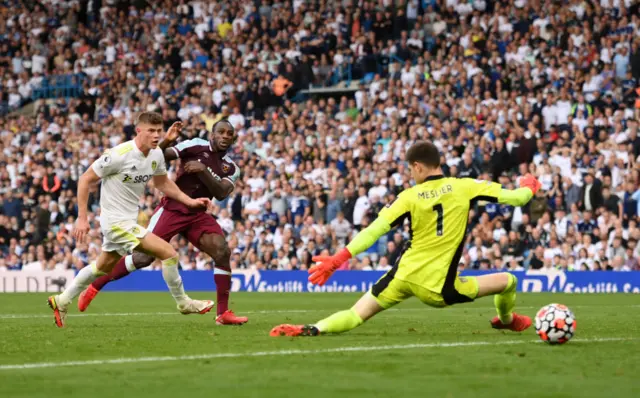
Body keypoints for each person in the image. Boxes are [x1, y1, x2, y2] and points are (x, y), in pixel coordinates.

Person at [270, 141, 541, 337]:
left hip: (402, 275)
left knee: (355, 314)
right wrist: (529, 186)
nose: (411, 174)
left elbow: (374, 230)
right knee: (509, 281)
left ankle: (313, 328)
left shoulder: (408, 197)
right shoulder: (465, 186)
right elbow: (517, 198)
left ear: (418, 166)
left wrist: (338, 259)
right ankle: (506, 320)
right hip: (439, 287)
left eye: (411, 169)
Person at [48, 112, 214, 328]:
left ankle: (61, 300)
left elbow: (163, 183)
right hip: (115, 222)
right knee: (169, 253)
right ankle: (183, 302)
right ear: (139, 131)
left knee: (102, 267)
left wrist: (190, 202)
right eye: (151, 131)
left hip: (127, 220)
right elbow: (85, 179)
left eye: (158, 131)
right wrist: (82, 217)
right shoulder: (119, 154)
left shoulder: (156, 155)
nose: (156, 135)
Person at [77, 120, 248, 325]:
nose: (225, 136)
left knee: (222, 251)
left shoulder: (232, 167)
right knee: (142, 258)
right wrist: (166, 141)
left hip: (198, 213)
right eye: (221, 132)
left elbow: (220, 193)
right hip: (173, 208)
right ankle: (95, 285)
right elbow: (159, 155)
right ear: (212, 134)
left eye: (230, 133)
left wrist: (202, 169)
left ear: (233, 138)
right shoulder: (194, 145)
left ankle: (223, 314)